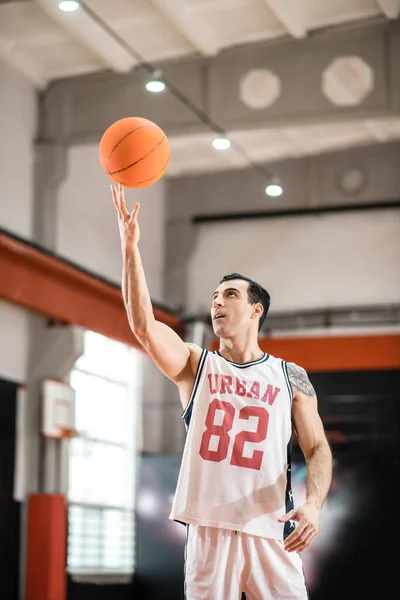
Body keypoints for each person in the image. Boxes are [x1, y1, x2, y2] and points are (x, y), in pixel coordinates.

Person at [112, 183, 333, 600]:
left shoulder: (291, 376)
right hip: (209, 530)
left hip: (272, 528)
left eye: (230, 294)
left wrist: (314, 505)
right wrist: (130, 250)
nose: (217, 302)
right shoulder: (197, 365)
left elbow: (318, 448)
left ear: (255, 310)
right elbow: (143, 327)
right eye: (214, 296)